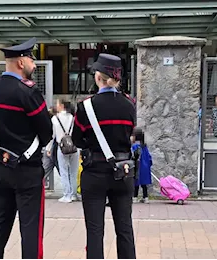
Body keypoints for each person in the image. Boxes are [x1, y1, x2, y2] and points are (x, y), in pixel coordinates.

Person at [0, 37, 52, 260]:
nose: (34, 63)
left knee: (0, 221)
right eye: (31, 58)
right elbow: (46, 132)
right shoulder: (28, 92)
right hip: (26, 169)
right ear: (21, 62)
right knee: (30, 226)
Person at [72, 53, 136, 259]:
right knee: (125, 228)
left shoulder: (86, 106)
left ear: (98, 77)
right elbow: (131, 134)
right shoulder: (129, 105)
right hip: (123, 171)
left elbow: (77, 140)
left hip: (94, 172)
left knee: (95, 229)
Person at [46, 100, 79, 203]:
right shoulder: (73, 118)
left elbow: (52, 136)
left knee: (64, 171)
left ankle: (67, 195)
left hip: (62, 147)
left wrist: (48, 148)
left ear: (61, 106)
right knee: (73, 172)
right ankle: (73, 194)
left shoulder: (55, 119)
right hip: (74, 147)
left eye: (57, 104)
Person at [131, 127, 152, 204]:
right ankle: (145, 197)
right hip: (145, 167)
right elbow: (149, 157)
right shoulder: (144, 146)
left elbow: (133, 157)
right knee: (144, 184)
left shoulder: (134, 146)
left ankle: (135, 197)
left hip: (137, 167)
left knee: (136, 183)